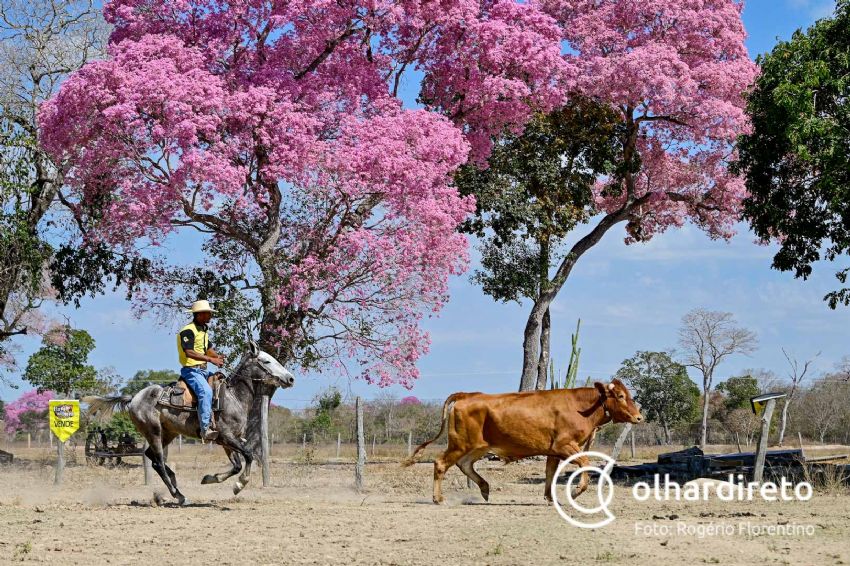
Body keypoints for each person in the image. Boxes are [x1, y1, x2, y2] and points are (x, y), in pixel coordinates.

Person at [177, 300, 225, 442]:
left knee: (223, 384)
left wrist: (217, 356)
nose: (210, 315)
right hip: (191, 370)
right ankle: (206, 429)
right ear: (199, 315)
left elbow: (207, 349)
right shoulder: (188, 330)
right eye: (208, 313)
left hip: (203, 371)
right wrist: (212, 360)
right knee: (206, 392)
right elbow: (189, 352)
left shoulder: (203, 329)